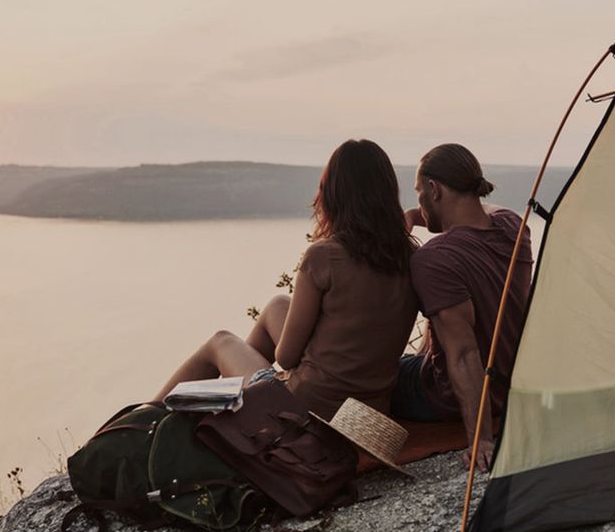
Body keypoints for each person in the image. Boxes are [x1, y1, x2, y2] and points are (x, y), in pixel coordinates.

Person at [154, 139, 419, 420]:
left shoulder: (324, 256)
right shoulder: (411, 256)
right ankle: (226, 410)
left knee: (220, 342)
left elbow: (287, 358)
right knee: (278, 304)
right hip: (368, 414)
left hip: (307, 408)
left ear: (332, 194)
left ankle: (143, 421)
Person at [392, 143, 533, 471]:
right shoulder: (514, 229)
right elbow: (489, 210)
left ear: (433, 189)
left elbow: (465, 354)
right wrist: (418, 215)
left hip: (446, 397)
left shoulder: (435, 259)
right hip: (512, 380)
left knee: (376, 372)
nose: (418, 204)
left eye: (418, 194)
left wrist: (480, 438)